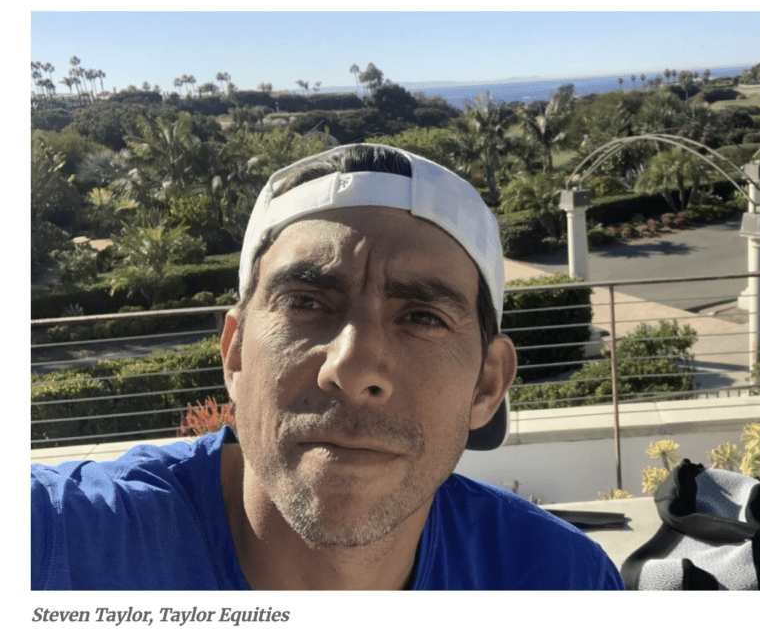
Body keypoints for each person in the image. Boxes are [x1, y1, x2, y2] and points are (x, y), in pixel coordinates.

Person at [31, 144, 625, 591]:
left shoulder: (561, 582)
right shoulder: (58, 541)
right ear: (235, 354)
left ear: (487, 385)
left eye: (422, 316)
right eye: (305, 303)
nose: (353, 366)